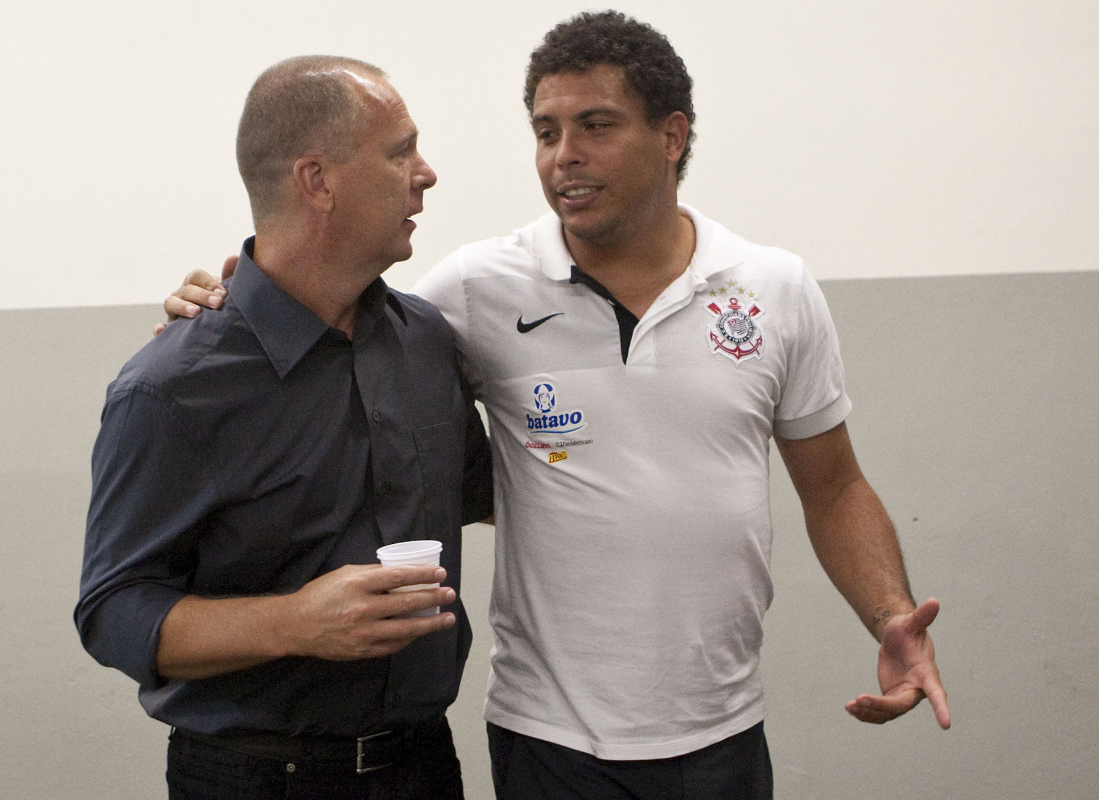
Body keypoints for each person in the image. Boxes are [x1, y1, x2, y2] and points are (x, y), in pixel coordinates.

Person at [162, 12, 949, 799]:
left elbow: (836, 488)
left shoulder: (772, 288)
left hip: (723, 728)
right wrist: (224, 300)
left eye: (595, 126)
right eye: (546, 130)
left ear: (672, 136)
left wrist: (889, 616)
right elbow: (330, 324)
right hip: (548, 739)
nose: (564, 155)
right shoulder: (476, 289)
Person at [76, 55, 492, 800]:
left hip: (424, 767)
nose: (426, 174)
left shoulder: (427, 341)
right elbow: (113, 612)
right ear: (317, 180)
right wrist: (295, 623)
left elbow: (486, 495)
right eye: (401, 151)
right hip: (255, 777)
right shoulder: (172, 388)